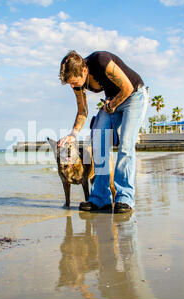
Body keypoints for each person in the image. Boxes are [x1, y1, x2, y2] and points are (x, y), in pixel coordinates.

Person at [58, 50, 148, 213]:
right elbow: (82, 112)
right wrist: (73, 134)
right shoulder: (76, 82)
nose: (72, 86)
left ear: (84, 71)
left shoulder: (101, 61)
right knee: (98, 144)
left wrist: (112, 105)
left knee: (126, 146)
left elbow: (127, 88)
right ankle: (100, 198)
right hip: (112, 101)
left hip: (134, 96)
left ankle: (125, 198)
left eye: (74, 82)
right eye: (69, 83)